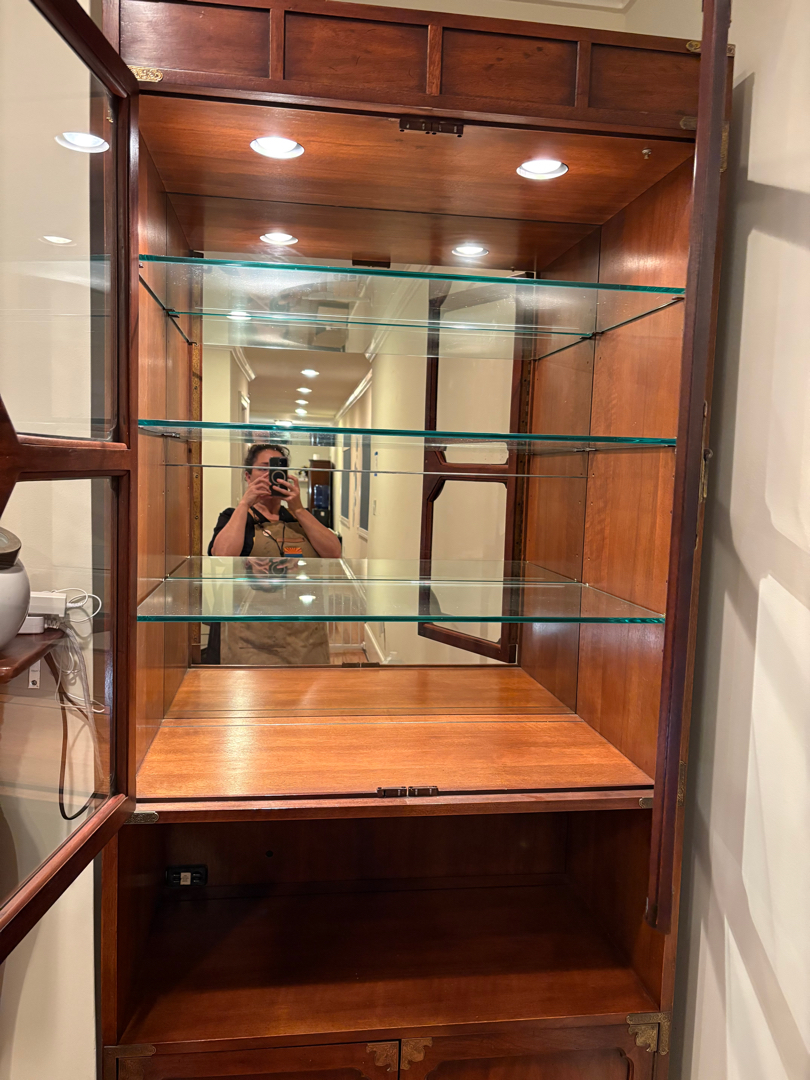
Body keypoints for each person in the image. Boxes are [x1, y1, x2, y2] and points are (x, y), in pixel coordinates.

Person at [208, 443, 341, 666]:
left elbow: (334, 553)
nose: (270, 474)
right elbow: (222, 555)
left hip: (303, 636)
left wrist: (298, 509)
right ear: (248, 476)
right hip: (250, 637)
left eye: (278, 469)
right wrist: (244, 504)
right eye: (263, 468)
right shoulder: (234, 517)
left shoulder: (300, 519)